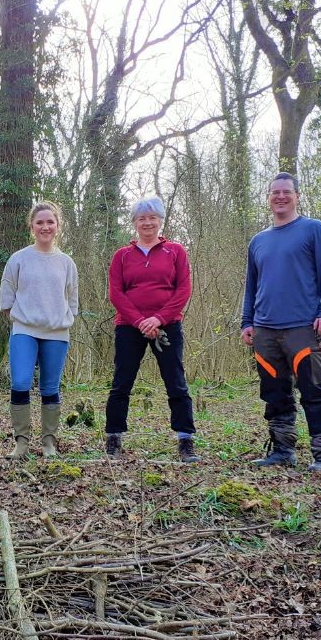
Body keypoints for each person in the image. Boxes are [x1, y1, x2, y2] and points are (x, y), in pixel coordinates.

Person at [242, 172, 321, 472]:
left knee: (315, 391)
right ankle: (282, 450)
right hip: (265, 330)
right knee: (274, 393)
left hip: (303, 328)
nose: (280, 196)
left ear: (297, 196)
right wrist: (247, 321)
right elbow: (252, 285)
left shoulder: (314, 230)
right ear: (269, 198)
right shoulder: (258, 241)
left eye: (287, 191)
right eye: (275, 192)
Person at [104, 196, 199, 463]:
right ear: (134, 223)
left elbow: (183, 290)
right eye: (142, 218)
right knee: (122, 382)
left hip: (167, 325)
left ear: (160, 221)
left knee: (176, 382)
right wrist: (139, 321)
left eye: (152, 217)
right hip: (128, 326)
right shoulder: (122, 256)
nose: (147, 222)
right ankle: (113, 437)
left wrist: (157, 319)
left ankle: (185, 439)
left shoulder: (176, 251)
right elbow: (116, 293)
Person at [0, 201, 78, 459]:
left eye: (50, 222)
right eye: (40, 222)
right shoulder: (19, 259)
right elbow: (6, 297)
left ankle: (48, 443)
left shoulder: (66, 263)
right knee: (20, 381)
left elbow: (72, 298)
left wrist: (63, 317)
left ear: (58, 226)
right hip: (24, 331)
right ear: (31, 226)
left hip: (57, 333)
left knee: (50, 387)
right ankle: (21, 443)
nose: (45, 227)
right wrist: (22, 319)